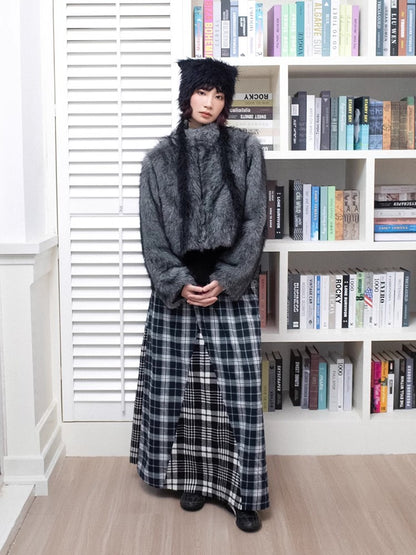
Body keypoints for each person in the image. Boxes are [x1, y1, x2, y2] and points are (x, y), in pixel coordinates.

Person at [130, 57, 269, 533]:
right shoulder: (158, 159)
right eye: (202, 92)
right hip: (177, 291)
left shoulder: (246, 149)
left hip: (231, 288)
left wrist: (229, 277)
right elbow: (151, 233)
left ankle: (244, 494)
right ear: (187, 94)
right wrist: (175, 280)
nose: (209, 103)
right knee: (185, 390)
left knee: (238, 392)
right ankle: (191, 480)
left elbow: (255, 221)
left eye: (219, 95)